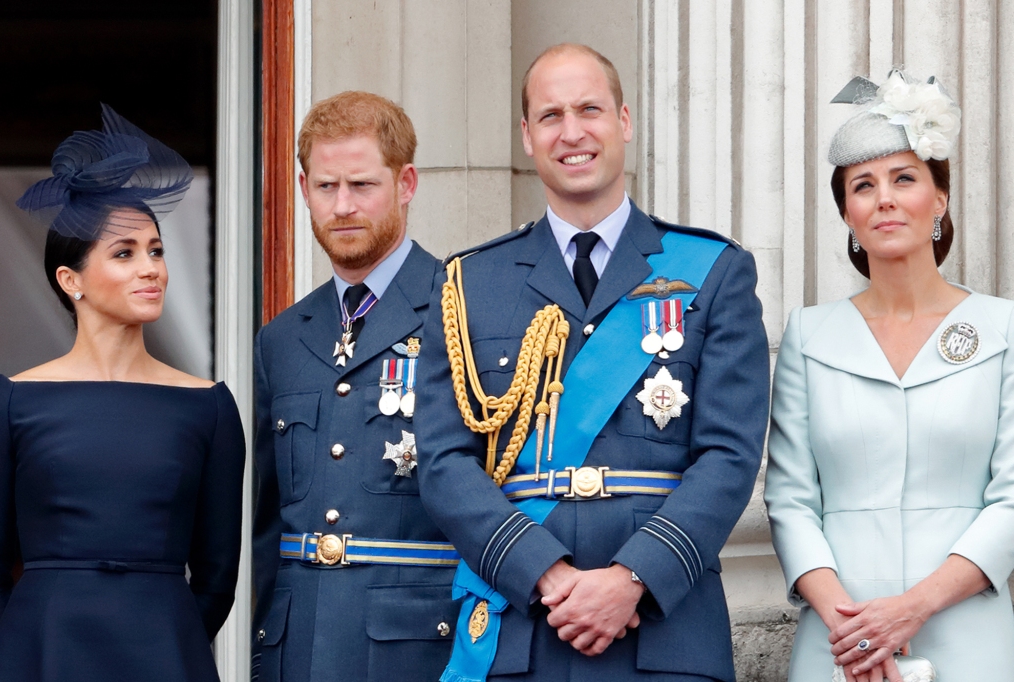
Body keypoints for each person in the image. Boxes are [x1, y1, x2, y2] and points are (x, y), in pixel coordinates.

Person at [415, 44, 770, 681]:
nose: (571, 132)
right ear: (527, 136)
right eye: (550, 115)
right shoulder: (470, 282)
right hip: (524, 625)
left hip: (664, 630)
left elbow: (730, 455)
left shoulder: (712, 271)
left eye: (589, 110)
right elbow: (444, 461)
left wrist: (634, 578)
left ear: (625, 122)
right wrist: (544, 572)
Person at [765, 71, 1014, 682]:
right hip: (839, 640)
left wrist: (910, 610)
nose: (884, 198)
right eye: (862, 185)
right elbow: (790, 500)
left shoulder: (1004, 328)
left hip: (968, 630)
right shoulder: (809, 334)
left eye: (904, 179)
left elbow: (1012, 496)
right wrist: (854, 627)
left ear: (940, 198)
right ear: (846, 211)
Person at [0, 105, 246, 682]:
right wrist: (20, 649)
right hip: (40, 654)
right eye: (124, 253)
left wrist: (165, 637)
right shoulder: (11, 401)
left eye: (156, 250)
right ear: (71, 280)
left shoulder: (208, 405)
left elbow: (216, 576)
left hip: (164, 655)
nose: (151, 268)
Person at [251, 91, 460, 682]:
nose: (342, 206)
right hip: (295, 647)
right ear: (303, 189)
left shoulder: (462, 310)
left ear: (406, 182)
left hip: (417, 648)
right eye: (326, 187)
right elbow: (267, 522)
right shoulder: (282, 338)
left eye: (362, 185)